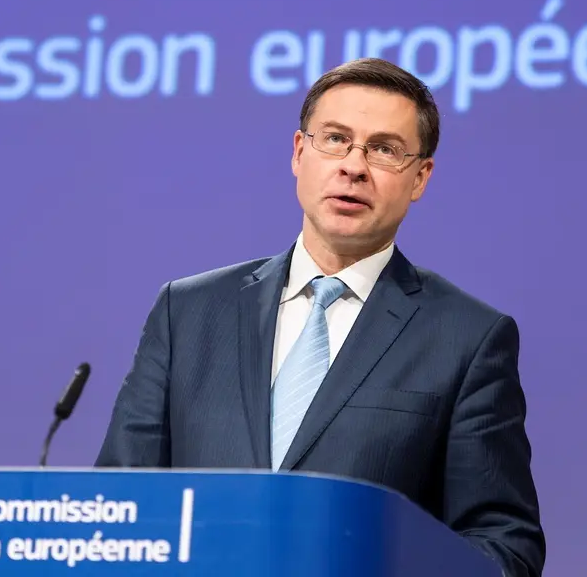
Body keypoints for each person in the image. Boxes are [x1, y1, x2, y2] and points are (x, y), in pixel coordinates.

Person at [95, 57, 545, 576]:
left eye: (384, 150)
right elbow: (117, 510)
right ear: (298, 152)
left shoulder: (468, 339)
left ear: (420, 178)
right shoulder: (188, 313)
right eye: (334, 138)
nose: (353, 165)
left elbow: (505, 547)